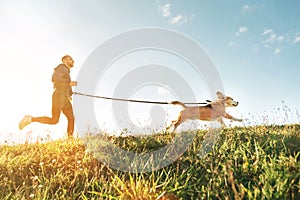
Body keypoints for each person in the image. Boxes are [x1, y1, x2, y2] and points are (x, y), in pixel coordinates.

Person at [19, 55, 77, 138]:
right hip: (59, 96)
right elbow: (55, 79)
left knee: (62, 119)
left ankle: (70, 139)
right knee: (59, 119)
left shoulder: (66, 72)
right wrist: (69, 84)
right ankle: (30, 119)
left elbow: (64, 85)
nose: (73, 61)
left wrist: (69, 94)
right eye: (70, 59)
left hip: (62, 96)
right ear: (64, 60)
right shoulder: (62, 67)